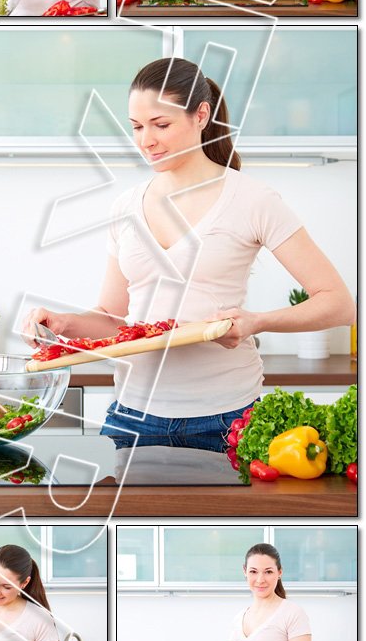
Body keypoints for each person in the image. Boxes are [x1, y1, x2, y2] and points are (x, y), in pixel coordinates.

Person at [23, 57, 355, 454]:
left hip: (228, 418)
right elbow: (113, 319)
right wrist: (65, 323)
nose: (146, 140)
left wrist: (257, 322)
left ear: (201, 115)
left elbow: (338, 303)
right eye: (137, 127)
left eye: (161, 125)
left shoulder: (253, 199)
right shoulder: (126, 207)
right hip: (132, 416)